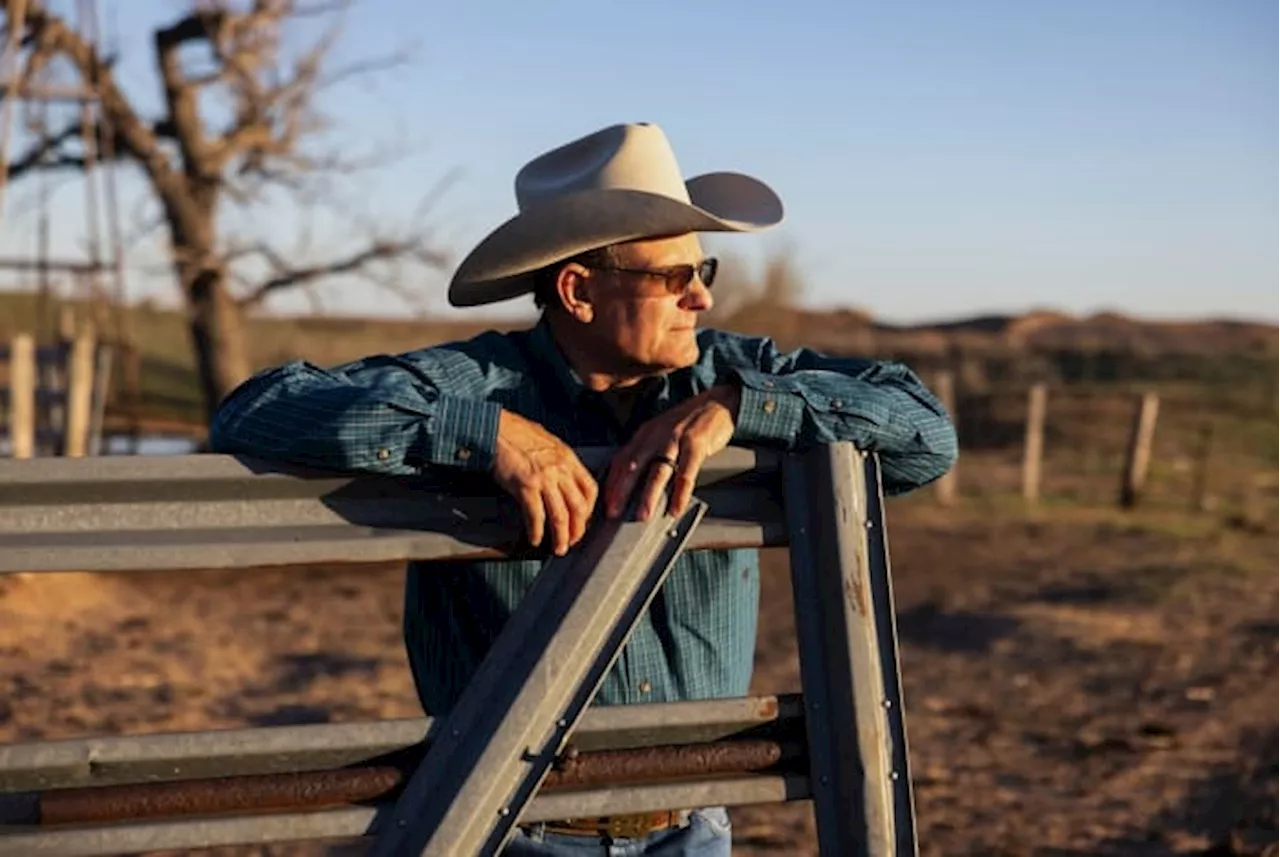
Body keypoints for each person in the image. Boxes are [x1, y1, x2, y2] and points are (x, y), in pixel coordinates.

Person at [208, 122, 957, 856]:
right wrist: (487, 434)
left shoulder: (728, 372)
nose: (700, 298)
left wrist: (741, 406)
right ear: (578, 290)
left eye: (705, 272)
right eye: (674, 277)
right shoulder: (479, 383)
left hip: (694, 827)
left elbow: (927, 432)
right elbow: (255, 408)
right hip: (500, 828)